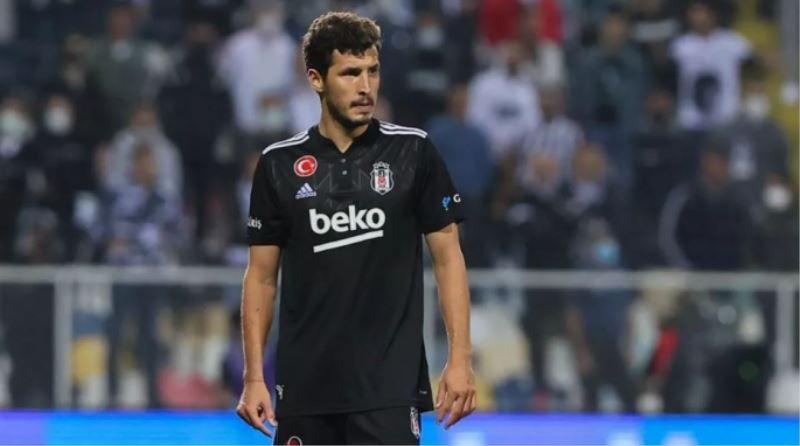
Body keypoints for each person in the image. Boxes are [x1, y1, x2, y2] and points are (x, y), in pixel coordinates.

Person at [236, 11, 476, 445]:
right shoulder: (278, 165)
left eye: (373, 71)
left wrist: (460, 359)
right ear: (316, 79)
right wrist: (254, 377)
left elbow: (448, 259)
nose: (366, 86)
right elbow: (262, 277)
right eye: (350, 73)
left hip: (388, 391)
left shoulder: (413, 152)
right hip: (305, 389)